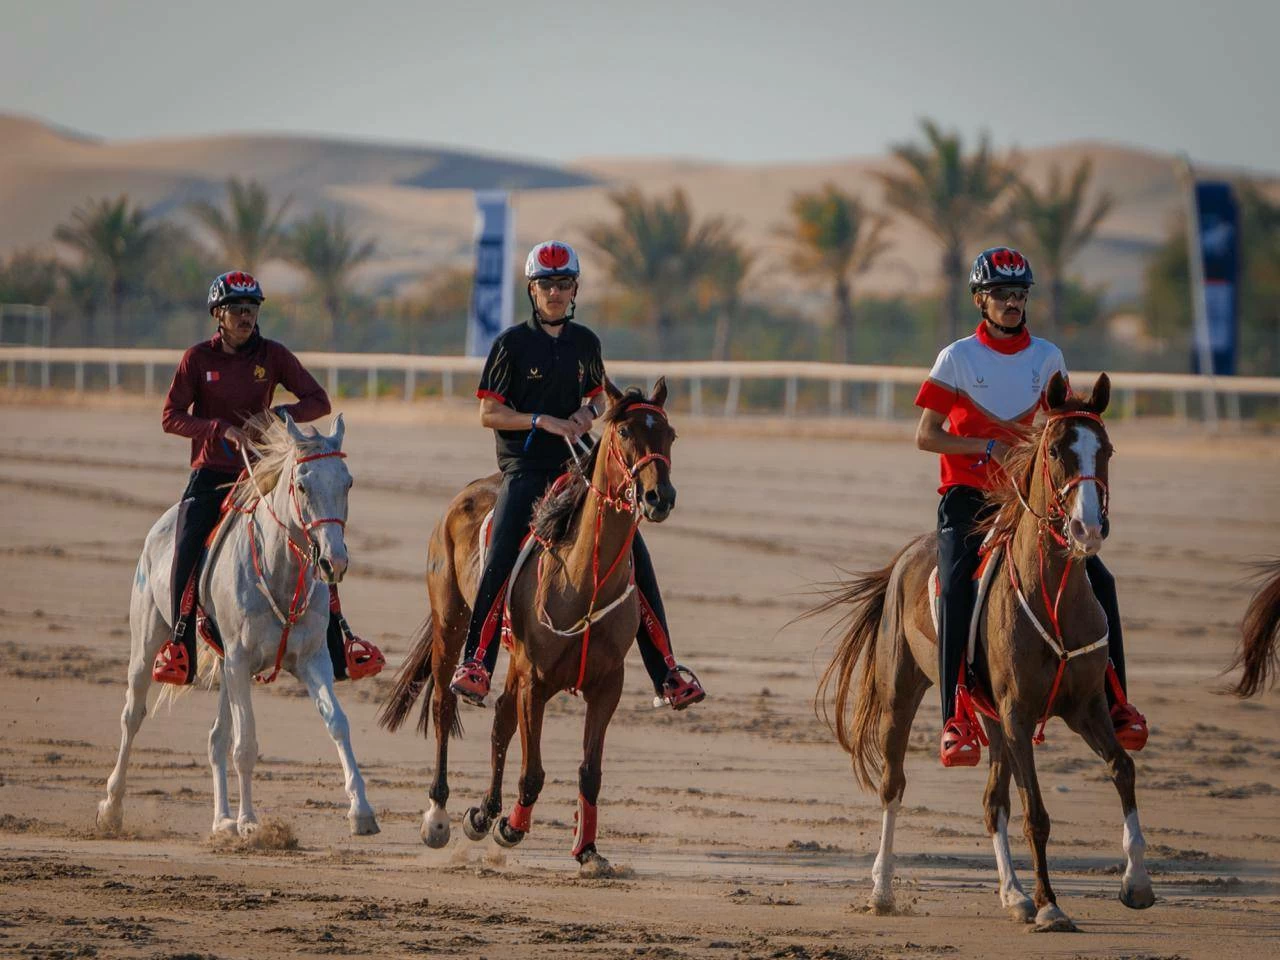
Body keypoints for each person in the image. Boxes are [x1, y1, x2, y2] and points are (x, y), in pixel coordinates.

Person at [914, 247, 1148, 767]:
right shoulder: (955, 358)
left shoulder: (1048, 357)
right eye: (1001, 294)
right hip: (967, 500)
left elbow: (1059, 429)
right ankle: (954, 716)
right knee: (953, 585)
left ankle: (1118, 705)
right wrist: (985, 447)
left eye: (1019, 294)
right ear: (980, 300)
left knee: (1102, 581)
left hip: (1027, 502)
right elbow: (925, 437)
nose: (1013, 303)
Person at [447, 240, 705, 711]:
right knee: (502, 550)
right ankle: (477, 660)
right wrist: (540, 420)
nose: (555, 294)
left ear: (574, 289)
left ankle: (667, 670)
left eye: (564, 285)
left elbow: (594, 396)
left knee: (635, 553)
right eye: (547, 285)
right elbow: (488, 413)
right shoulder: (510, 344)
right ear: (532, 289)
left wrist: (588, 413)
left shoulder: (586, 342)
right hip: (525, 468)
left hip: (576, 463)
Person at [154, 271, 380, 685]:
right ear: (217, 315)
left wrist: (275, 416)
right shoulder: (197, 359)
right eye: (238, 309)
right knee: (186, 544)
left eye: (253, 309)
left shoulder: (272, 355)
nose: (246, 316)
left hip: (264, 472)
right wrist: (218, 429)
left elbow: (318, 400)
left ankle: (337, 643)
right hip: (211, 473)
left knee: (315, 537)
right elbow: (171, 417)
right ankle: (180, 644)